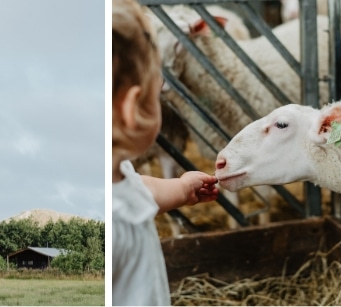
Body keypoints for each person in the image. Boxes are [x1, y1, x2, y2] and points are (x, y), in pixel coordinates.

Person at [111, 0, 220, 305]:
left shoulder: (118, 176)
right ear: (133, 110)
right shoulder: (112, 229)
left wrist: (182, 188)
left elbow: (139, 189)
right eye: (157, 92)